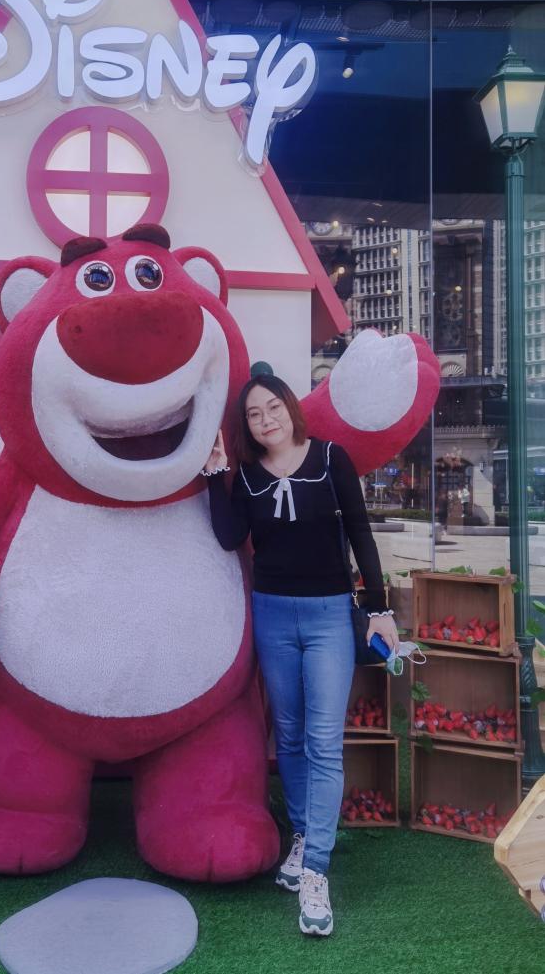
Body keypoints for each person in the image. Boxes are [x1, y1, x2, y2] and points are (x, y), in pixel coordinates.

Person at [203, 374, 398, 937]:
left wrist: (379, 607)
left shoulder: (331, 459)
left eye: (273, 407)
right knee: (287, 735)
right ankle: (303, 834)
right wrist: (215, 475)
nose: (267, 420)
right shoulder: (246, 475)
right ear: (247, 427)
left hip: (329, 616)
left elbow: (360, 533)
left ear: (290, 407)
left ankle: (316, 870)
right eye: (255, 415)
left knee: (322, 741)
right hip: (272, 614)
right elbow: (228, 537)